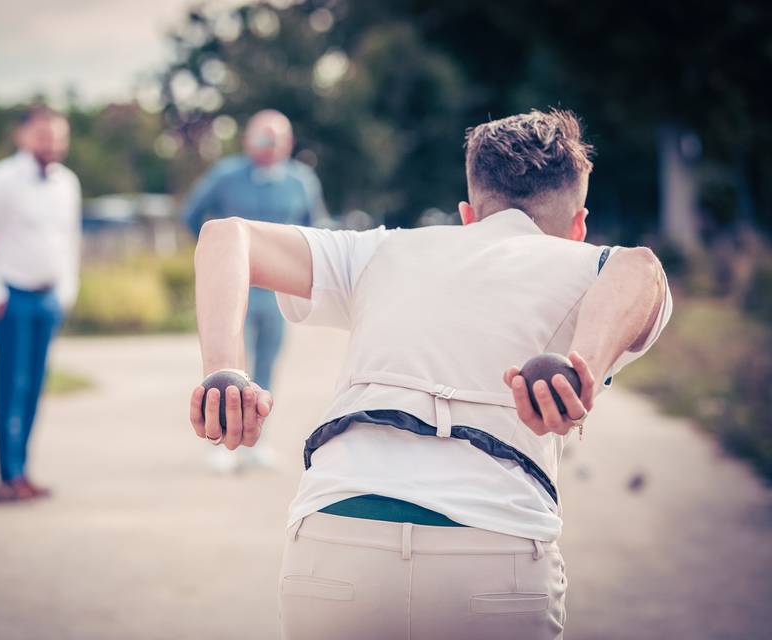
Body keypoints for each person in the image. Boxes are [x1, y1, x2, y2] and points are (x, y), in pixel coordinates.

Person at [187, 109, 672, 639]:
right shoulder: (591, 266)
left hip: (336, 541)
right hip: (495, 550)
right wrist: (581, 372)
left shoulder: (383, 248)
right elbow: (640, 268)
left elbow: (226, 237)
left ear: (468, 214)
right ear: (578, 227)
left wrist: (224, 372)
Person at [182, 109, 328, 472]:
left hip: (278, 294)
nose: (269, 144)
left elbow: (316, 230)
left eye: (277, 137)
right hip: (234, 290)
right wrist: (212, 259)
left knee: (266, 364)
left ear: (289, 142)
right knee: (230, 363)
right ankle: (219, 440)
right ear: (247, 139)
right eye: (262, 136)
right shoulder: (226, 176)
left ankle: (255, 440)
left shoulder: (301, 181)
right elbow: (192, 214)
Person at [0, 106, 81, 500]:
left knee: (36, 386)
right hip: (11, 297)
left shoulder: (67, 182)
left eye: (58, 136)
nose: (51, 143)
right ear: (23, 136)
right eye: (43, 135)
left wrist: (67, 290)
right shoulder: (1, 180)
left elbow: (69, 238)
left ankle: (24, 470)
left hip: (48, 297)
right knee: (11, 386)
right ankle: (9, 475)